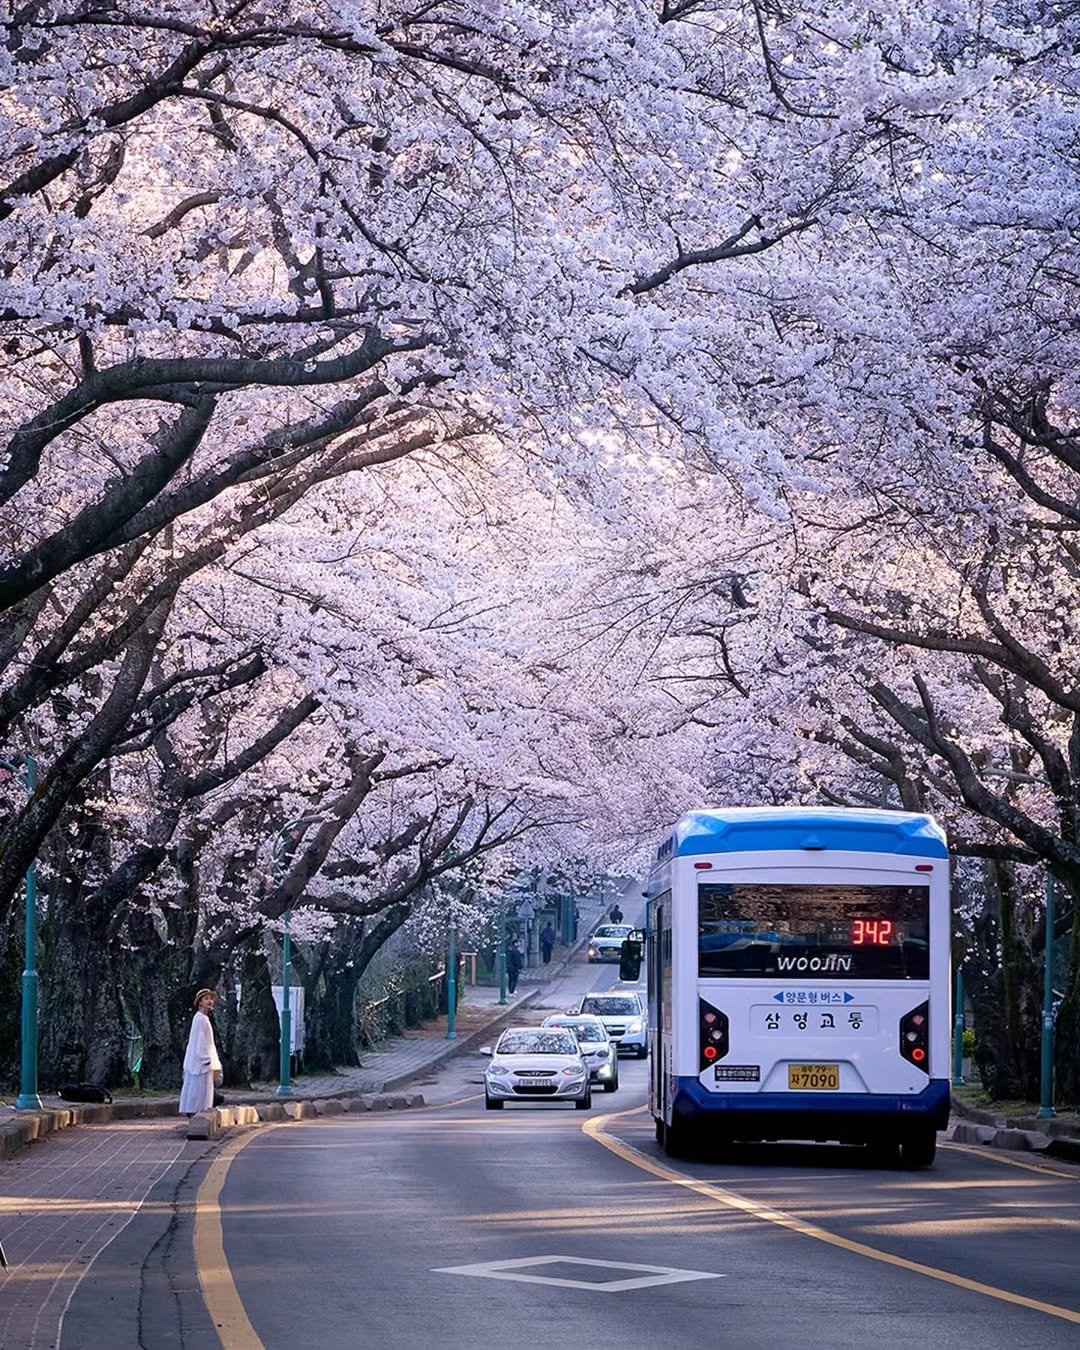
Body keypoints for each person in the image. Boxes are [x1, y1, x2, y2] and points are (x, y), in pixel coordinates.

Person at [180, 988, 222, 1116]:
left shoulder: (202, 1018)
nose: (209, 1001)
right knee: (199, 1089)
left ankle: (198, 1112)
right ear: (200, 1003)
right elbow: (200, 1041)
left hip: (200, 1060)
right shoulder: (200, 1019)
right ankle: (197, 1112)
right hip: (201, 1061)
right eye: (206, 999)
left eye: (210, 999)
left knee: (201, 1088)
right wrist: (205, 1059)